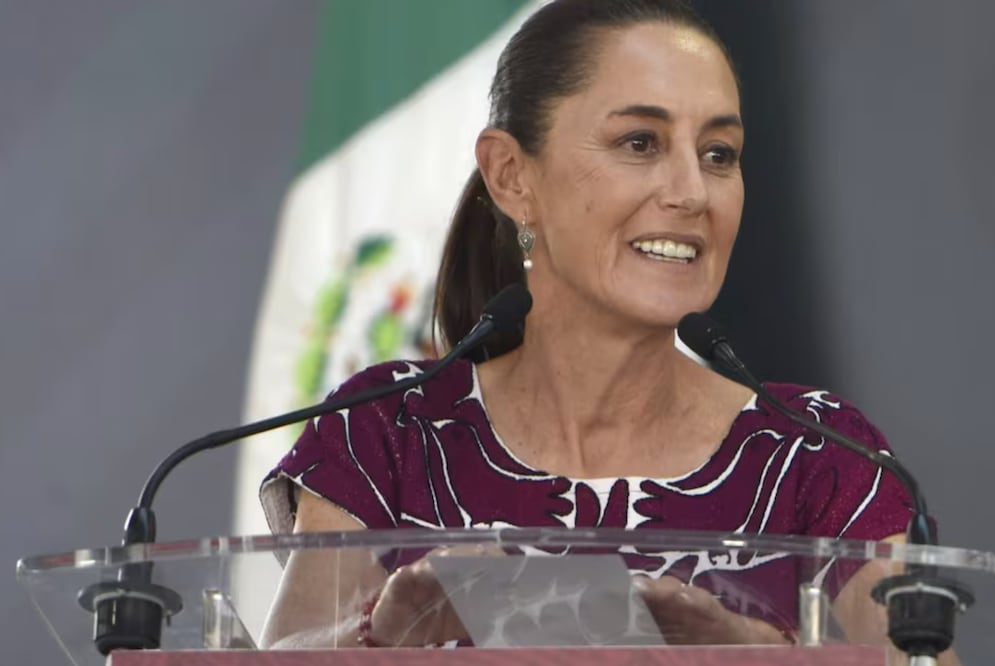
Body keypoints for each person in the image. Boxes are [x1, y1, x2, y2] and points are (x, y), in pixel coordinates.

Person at [259, 0, 913, 651]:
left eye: (719, 153)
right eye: (640, 143)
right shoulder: (390, 430)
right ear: (512, 177)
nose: (692, 192)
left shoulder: (820, 454)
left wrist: (764, 657)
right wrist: (380, 639)